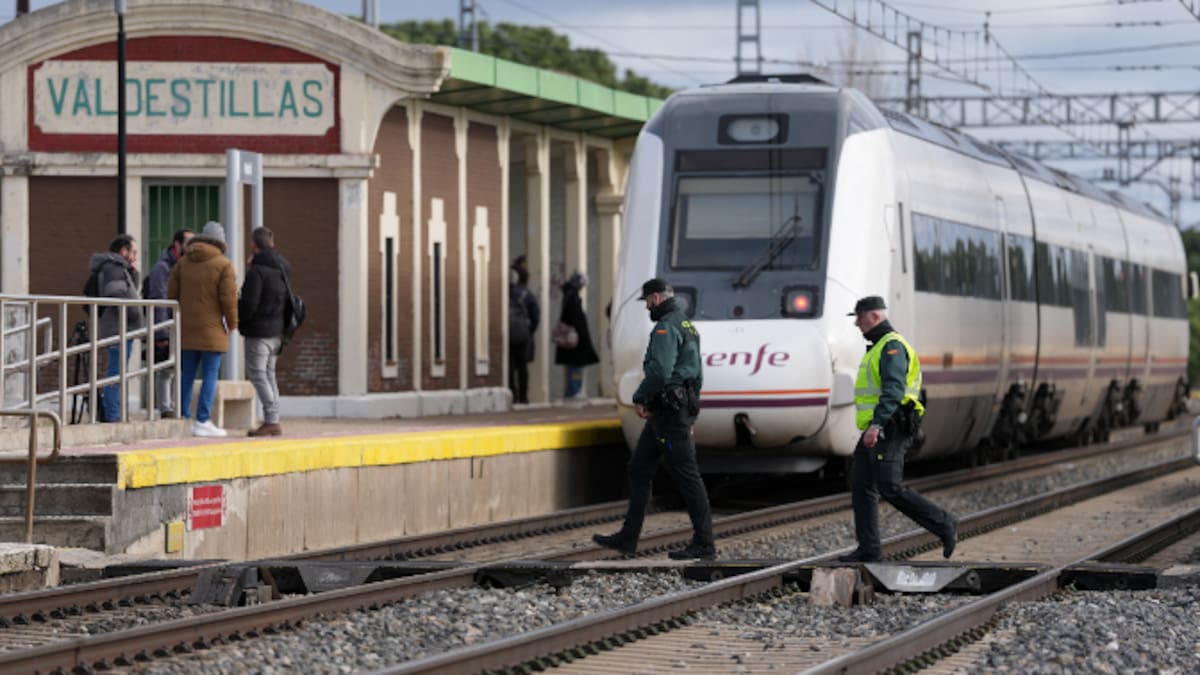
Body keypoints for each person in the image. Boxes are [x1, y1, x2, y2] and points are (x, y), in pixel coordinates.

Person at [593, 278, 716, 560]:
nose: (647, 307)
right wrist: (692, 411)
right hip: (670, 413)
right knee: (639, 468)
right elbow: (697, 374)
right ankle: (628, 537)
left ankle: (705, 544)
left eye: (648, 301)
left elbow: (660, 372)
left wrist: (640, 397)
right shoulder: (686, 324)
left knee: (687, 475)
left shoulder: (665, 327)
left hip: (670, 416)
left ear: (656, 298)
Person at [839, 295, 958, 563]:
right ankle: (869, 549)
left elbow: (893, 390)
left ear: (874, 317)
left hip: (891, 425)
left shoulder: (891, 347)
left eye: (859, 318)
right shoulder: (878, 346)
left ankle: (944, 523)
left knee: (889, 485)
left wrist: (877, 424)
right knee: (861, 483)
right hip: (879, 426)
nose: (857, 324)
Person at [168, 221, 238, 438]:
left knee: (187, 374)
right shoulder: (224, 265)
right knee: (210, 374)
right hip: (213, 330)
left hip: (187, 328)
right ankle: (203, 420)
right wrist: (232, 323)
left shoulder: (182, 263)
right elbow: (229, 300)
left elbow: (171, 295)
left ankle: (183, 418)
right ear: (221, 241)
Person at [239, 227, 290, 437]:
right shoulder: (283, 268)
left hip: (259, 332)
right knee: (269, 374)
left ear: (253, 244)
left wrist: (241, 319)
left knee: (258, 374)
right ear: (272, 243)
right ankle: (273, 418)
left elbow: (249, 304)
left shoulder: (257, 271)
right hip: (278, 331)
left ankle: (271, 420)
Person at [89, 234, 143, 423]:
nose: (135, 256)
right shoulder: (113, 268)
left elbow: (128, 290)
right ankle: (112, 415)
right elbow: (115, 294)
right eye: (133, 252)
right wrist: (134, 313)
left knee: (118, 370)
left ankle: (114, 412)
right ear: (123, 251)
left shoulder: (120, 269)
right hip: (117, 327)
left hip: (120, 326)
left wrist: (134, 274)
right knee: (116, 371)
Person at [145, 228, 193, 417]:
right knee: (166, 370)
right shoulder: (163, 268)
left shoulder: (186, 265)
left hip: (183, 326)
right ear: (177, 244)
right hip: (169, 326)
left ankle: (175, 406)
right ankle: (166, 408)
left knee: (178, 368)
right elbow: (159, 300)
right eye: (188, 243)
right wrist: (162, 333)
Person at [554, 271, 599, 400]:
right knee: (576, 367)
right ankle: (575, 390)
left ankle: (573, 390)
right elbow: (575, 318)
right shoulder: (572, 298)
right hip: (576, 339)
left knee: (573, 366)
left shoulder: (569, 295)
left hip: (573, 338)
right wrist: (582, 334)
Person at [510, 258, 540, 404]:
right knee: (522, 366)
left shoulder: (506, 292)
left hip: (508, 334)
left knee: (509, 365)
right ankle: (523, 396)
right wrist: (530, 330)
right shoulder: (527, 294)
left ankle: (512, 393)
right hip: (523, 334)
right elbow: (536, 316)